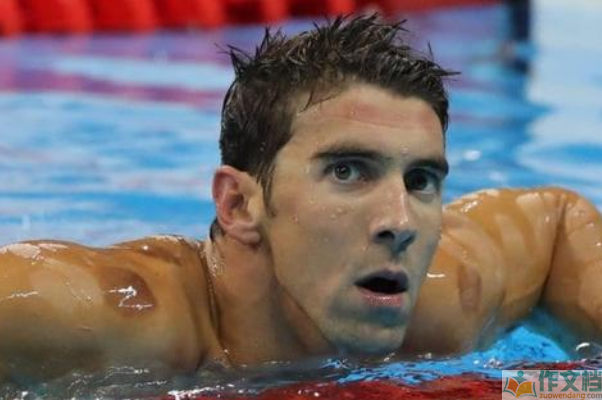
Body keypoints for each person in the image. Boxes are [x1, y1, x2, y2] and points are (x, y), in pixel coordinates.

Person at [1, 14, 601, 384]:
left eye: (420, 180)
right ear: (239, 205)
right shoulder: (108, 319)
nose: (400, 221)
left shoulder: (440, 309)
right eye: (348, 171)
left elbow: (553, 223)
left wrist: (561, 388)